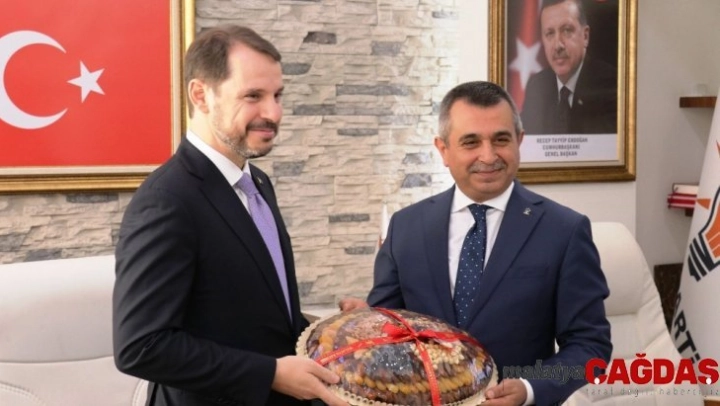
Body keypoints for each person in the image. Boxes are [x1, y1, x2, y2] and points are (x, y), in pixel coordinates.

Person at [113, 25, 348, 406]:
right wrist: (270, 374)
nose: (273, 113)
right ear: (201, 95)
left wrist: (342, 330)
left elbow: (258, 313)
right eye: (253, 96)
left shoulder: (258, 183)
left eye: (277, 95)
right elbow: (141, 346)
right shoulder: (166, 200)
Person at [340, 81, 612, 406]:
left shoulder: (564, 230)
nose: (488, 155)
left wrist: (530, 389)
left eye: (501, 140)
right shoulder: (406, 227)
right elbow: (390, 329)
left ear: (519, 141)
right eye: (471, 142)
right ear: (443, 150)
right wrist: (364, 321)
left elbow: (590, 346)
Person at [521, 0, 617, 135]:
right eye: (550, 33)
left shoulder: (610, 84)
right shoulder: (537, 86)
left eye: (566, 30)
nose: (558, 45)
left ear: (585, 36)